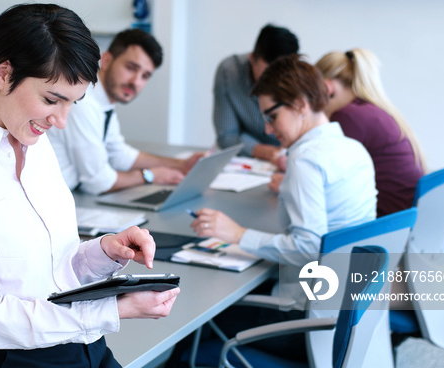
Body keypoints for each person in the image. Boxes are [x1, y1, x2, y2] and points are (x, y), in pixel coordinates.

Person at [0, 5, 180, 368]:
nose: (60, 121)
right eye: (51, 100)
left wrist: (104, 252)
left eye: (72, 104)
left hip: (83, 344)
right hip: (10, 358)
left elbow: (52, 270)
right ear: (3, 73)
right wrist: (111, 310)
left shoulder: (33, 141)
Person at [168, 55, 377, 366]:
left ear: (301, 104)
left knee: (197, 319)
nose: (267, 129)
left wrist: (238, 234)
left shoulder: (306, 160)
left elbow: (308, 247)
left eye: (272, 116)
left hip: (308, 319)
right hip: (348, 311)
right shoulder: (353, 149)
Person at [48, 28, 204, 195]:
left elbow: (120, 154)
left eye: (145, 76)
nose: (135, 82)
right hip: (52, 199)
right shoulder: (83, 102)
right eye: (130, 68)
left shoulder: (103, 103)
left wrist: (180, 164)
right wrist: (150, 176)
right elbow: (98, 182)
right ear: (106, 60)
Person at [316, 48, 426, 217]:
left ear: (327, 88)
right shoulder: (370, 110)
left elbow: (327, 184)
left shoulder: (348, 116)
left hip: (383, 223)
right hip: (402, 220)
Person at [212, 24, 299, 162]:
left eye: (281, 75)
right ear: (252, 59)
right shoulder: (229, 73)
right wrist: (270, 153)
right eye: (267, 73)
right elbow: (227, 137)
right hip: (248, 162)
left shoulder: (302, 80)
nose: (274, 81)